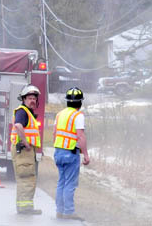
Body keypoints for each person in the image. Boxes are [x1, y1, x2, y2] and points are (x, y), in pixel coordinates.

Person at [53, 86, 90, 221]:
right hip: (70, 153)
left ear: (67, 101)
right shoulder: (78, 115)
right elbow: (80, 136)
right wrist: (85, 154)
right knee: (70, 183)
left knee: (61, 182)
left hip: (58, 152)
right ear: (80, 102)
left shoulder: (59, 114)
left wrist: (56, 149)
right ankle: (68, 212)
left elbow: (54, 133)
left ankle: (59, 211)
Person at [10, 84, 43, 215]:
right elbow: (18, 125)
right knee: (27, 178)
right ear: (23, 99)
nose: (32, 100)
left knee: (24, 178)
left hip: (24, 151)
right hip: (24, 150)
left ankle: (22, 207)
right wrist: (26, 143)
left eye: (34, 98)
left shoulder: (26, 112)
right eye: (29, 98)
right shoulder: (22, 111)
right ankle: (26, 208)